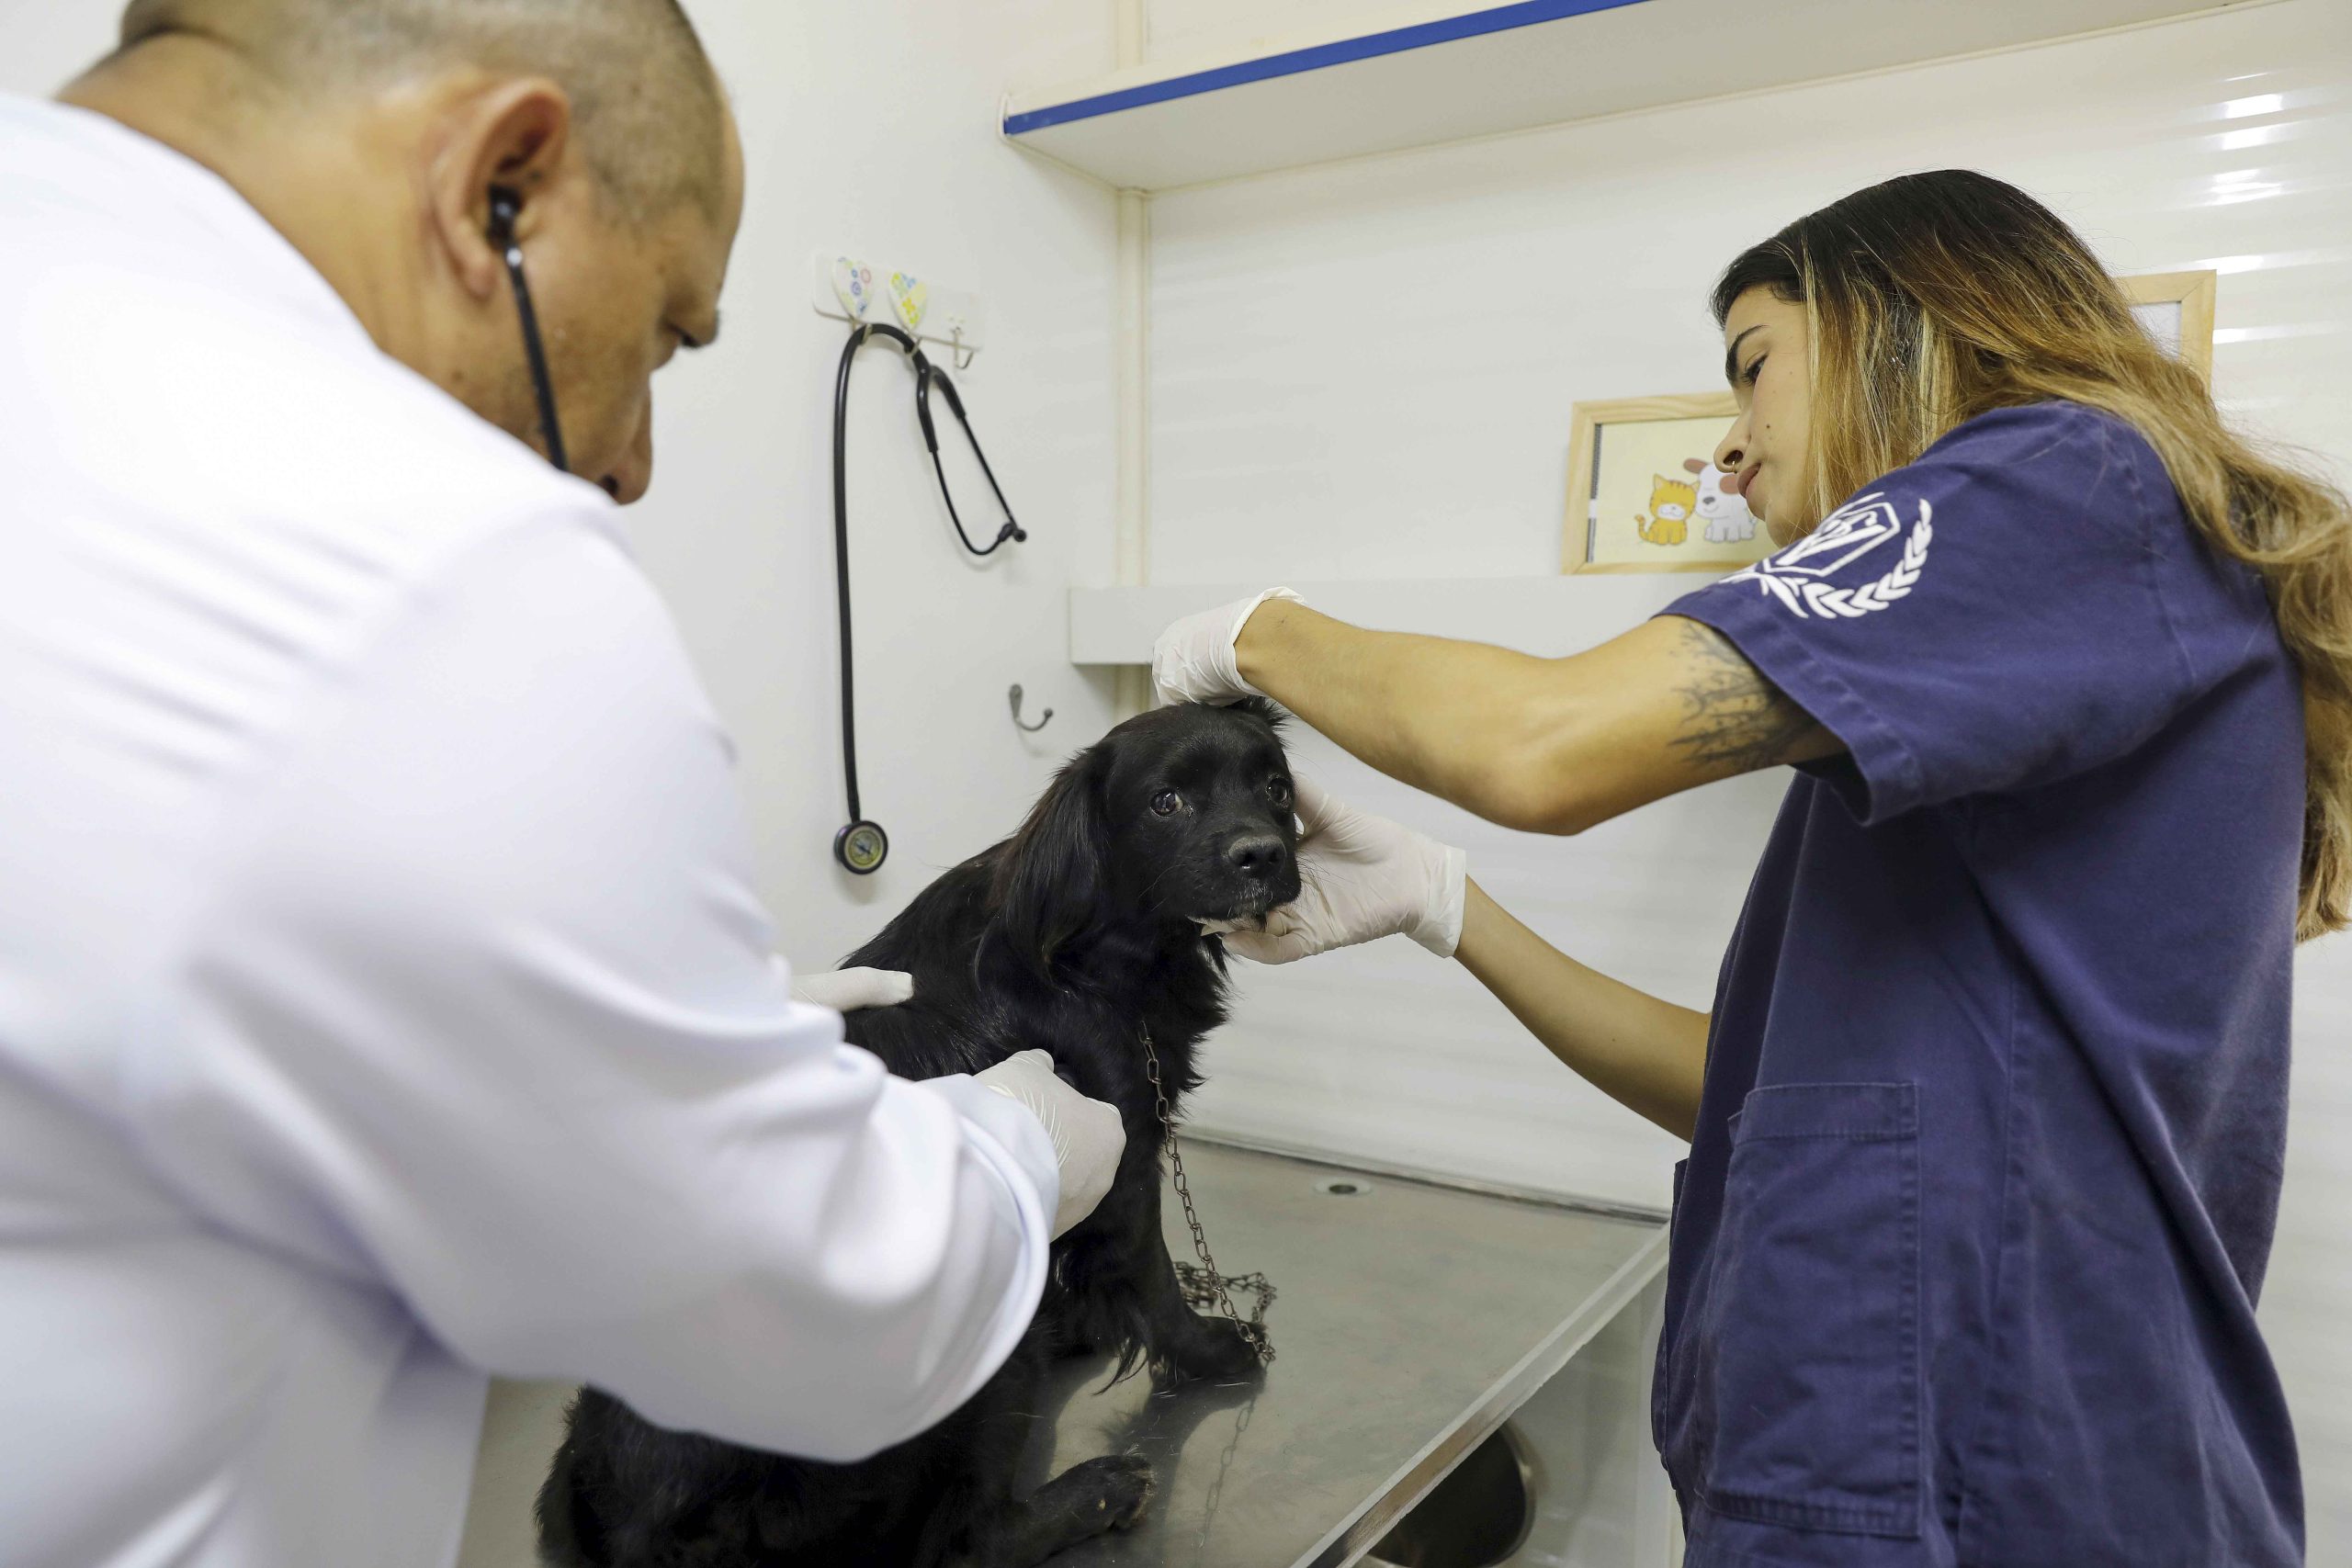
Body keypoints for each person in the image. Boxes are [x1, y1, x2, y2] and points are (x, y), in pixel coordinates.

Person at [0, 3, 1126, 1563]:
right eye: (667, 331)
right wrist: (1013, 1152)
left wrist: (609, 1024)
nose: (634, 460)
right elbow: (806, 1309)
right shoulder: (427, 559)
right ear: (500, 183)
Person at [1156, 171, 2348, 1566]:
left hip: (1983, 1474)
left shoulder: (2062, 477)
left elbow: (1542, 745)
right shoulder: (2034, 644)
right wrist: (1445, 905)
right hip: (1962, 1458)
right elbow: (1774, 1103)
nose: (1729, 447)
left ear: (1903, 323)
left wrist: (1256, 633)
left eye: (1753, 368)